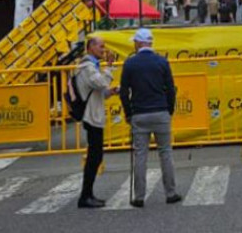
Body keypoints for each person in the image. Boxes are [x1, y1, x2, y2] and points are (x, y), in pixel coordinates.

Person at [119, 28, 181, 208]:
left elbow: (124, 92)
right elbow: (170, 88)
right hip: (160, 111)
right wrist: (169, 109)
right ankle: (171, 192)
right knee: (165, 152)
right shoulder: (161, 61)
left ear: (138, 43)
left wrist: (128, 112)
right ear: (150, 43)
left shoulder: (130, 64)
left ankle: (139, 196)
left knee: (140, 154)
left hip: (139, 113)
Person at [75, 36, 118, 209]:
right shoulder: (87, 67)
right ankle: (85, 196)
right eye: (101, 46)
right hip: (91, 117)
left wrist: (110, 92)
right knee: (95, 156)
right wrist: (110, 67)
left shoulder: (91, 66)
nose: (103, 49)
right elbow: (100, 83)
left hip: (94, 115)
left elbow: (99, 91)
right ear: (91, 47)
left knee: (96, 156)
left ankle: (88, 194)